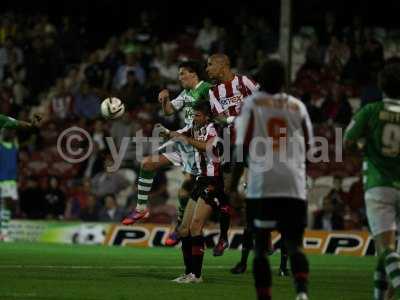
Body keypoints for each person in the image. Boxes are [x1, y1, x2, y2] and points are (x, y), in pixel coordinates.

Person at [230, 59, 314, 300]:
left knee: (260, 249)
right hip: (293, 185)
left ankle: (264, 296)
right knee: (294, 244)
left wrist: (233, 183)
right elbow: (309, 145)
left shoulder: (252, 104)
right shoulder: (298, 106)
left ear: (261, 80)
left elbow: (241, 147)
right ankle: (301, 293)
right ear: (284, 81)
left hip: (262, 185)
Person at [122, 61, 215, 242]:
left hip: (198, 144)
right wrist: (165, 100)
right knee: (148, 163)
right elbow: (169, 111)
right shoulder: (186, 93)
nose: (179, 77)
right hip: (183, 140)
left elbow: (214, 114)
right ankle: (141, 208)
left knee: (185, 191)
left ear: (193, 74)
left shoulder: (206, 89)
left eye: (182, 74)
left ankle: (181, 226)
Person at [343, 61, 400, 300]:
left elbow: (347, 142)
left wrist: (363, 146)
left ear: (381, 85)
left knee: (386, 248)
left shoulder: (371, 110)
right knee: (387, 254)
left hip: (379, 186)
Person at [206, 53, 260, 257]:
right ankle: (223, 237)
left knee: (253, 194)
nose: (207, 69)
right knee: (226, 192)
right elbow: (220, 118)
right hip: (230, 144)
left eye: (210, 65)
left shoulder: (244, 81)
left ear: (223, 65)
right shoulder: (214, 91)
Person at [164, 101, 224, 283]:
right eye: (194, 115)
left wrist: (186, 139)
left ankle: (196, 275)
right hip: (200, 180)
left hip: (213, 181)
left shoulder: (213, 129)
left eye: (198, 115)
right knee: (184, 229)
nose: (195, 118)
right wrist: (167, 133)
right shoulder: (194, 127)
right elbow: (180, 134)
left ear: (206, 117)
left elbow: (208, 147)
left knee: (196, 226)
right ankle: (188, 272)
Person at [0, 113, 42, 241]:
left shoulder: (14, 145)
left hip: (11, 180)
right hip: (2, 180)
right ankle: (4, 232)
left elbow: (19, 124)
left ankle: (4, 232)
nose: (11, 132)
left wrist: (31, 124)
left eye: (12, 131)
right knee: (6, 204)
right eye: (8, 130)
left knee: (9, 206)